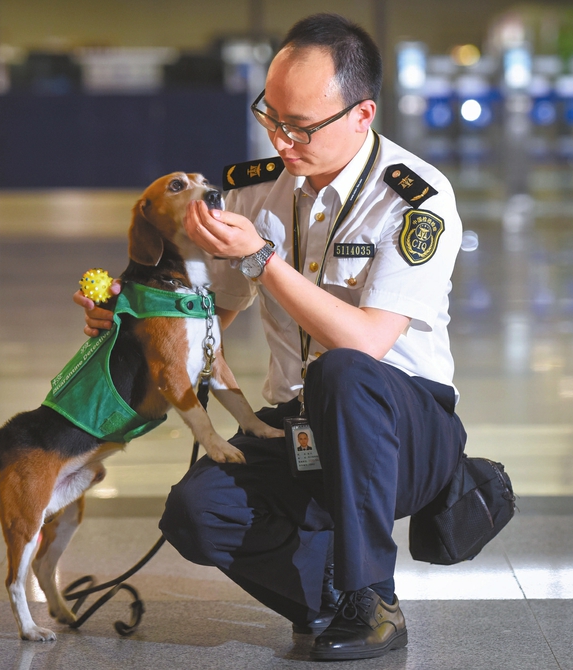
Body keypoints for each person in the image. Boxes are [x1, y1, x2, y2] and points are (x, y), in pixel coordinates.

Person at [76, 13, 466, 662]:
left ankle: (373, 599)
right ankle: (331, 597)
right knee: (196, 514)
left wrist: (265, 262)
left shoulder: (415, 199)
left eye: (301, 126)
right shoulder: (255, 192)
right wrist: (125, 321)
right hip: (299, 424)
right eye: (270, 115)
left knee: (341, 371)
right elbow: (207, 320)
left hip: (405, 430)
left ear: (362, 114)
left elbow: (367, 343)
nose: (282, 139)